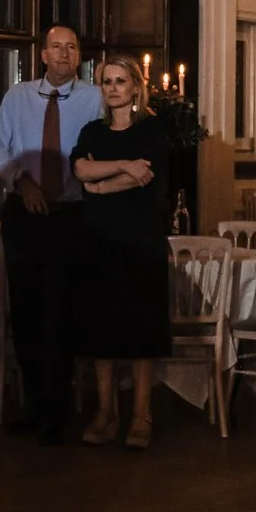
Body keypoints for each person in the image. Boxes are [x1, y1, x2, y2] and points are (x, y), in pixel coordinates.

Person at [0, 25, 102, 443]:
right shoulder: (18, 97)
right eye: (56, 47)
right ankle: (34, 406)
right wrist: (21, 181)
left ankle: (56, 414)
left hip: (71, 215)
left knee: (59, 315)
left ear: (78, 56)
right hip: (25, 213)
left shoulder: (94, 99)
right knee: (26, 313)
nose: (64, 53)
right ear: (44, 56)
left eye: (72, 47)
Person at [72, 53, 173, 450]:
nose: (112, 88)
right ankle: (106, 412)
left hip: (140, 240)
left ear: (135, 87)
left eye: (119, 81)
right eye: (106, 81)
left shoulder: (151, 131)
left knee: (141, 329)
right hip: (99, 240)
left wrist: (103, 183)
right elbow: (81, 170)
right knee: (102, 330)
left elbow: (143, 179)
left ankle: (142, 414)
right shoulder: (92, 131)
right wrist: (124, 165)